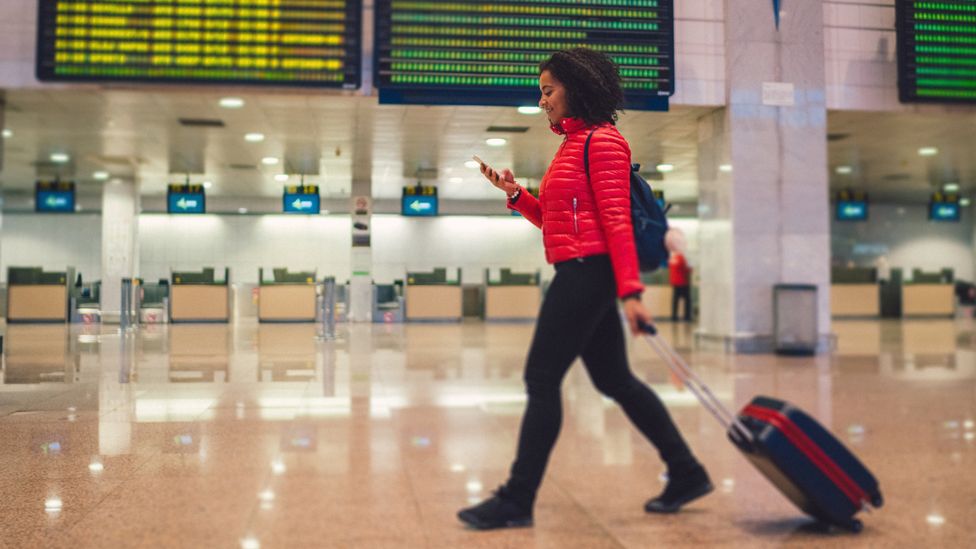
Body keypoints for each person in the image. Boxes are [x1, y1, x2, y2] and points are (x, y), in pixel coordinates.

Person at [457, 48, 712, 531]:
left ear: (577, 87)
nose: (543, 100)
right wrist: (516, 196)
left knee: (541, 379)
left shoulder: (604, 142)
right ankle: (687, 471)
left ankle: (517, 498)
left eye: (548, 90)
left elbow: (616, 221)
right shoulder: (571, 146)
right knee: (615, 380)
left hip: (586, 273)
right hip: (580, 266)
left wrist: (632, 292)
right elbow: (558, 222)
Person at [669, 251, 692, 321]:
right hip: (683, 282)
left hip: (674, 282)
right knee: (687, 300)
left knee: (675, 300)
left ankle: (674, 316)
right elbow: (687, 269)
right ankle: (687, 316)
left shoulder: (672, 258)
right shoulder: (682, 258)